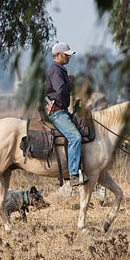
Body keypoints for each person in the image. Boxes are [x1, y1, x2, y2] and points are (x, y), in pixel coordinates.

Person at [45, 42, 88, 187]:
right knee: (75, 137)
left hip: (62, 110)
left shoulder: (59, 69)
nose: (69, 57)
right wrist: (70, 82)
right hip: (57, 112)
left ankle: (81, 168)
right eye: (66, 55)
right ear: (58, 55)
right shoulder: (56, 71)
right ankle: (74, 174)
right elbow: (61, 90)